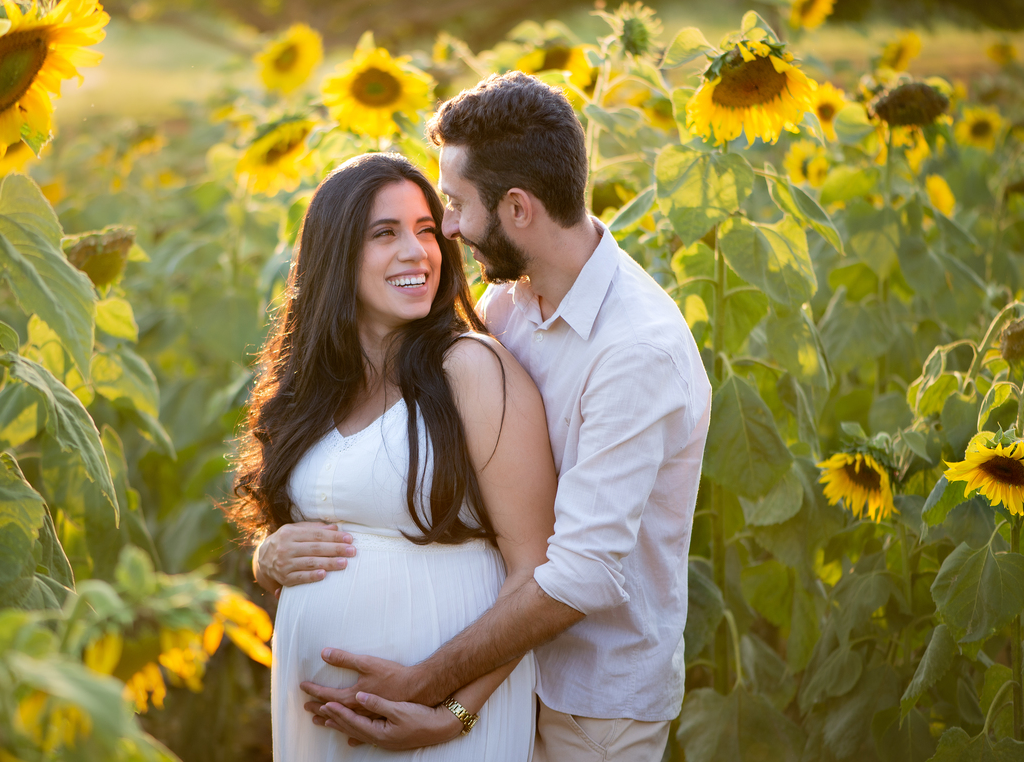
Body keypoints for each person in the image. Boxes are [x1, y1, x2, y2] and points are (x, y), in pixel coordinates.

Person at [262, 72, 712, 762]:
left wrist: (438, 696)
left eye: (453, 205)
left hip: (589, 703)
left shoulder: (635, 350)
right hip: (501, 672)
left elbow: (577, 574)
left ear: (519, 209)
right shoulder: (509, 306)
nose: (445, 230)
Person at [229, 152, 559, 760]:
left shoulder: (471, 369)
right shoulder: (311, 390)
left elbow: (537, 572)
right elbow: (305, 543)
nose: (418, 251)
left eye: (427, 230)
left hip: (442, 725)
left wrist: (454, 712)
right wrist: (267, 558)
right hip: (321, 727)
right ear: (336, 254)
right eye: (386, 234)